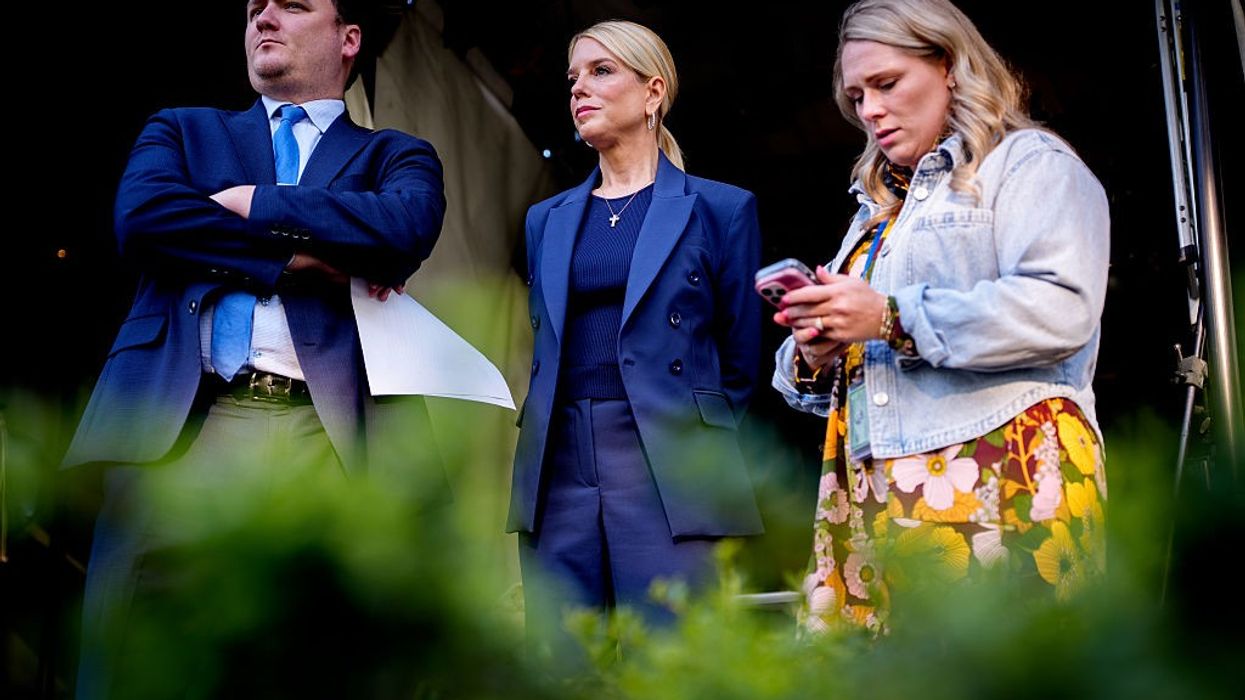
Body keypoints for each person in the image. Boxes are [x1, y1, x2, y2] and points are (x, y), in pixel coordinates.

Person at [63, 0, 446, 694]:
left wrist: (251, 201)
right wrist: (300, 261)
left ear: (348, 38)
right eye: (252, 9)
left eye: (292, 5)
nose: (264, 16)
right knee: (136, 664)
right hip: (184, 425)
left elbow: (402, 227)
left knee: (316, 666)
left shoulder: (395, 154)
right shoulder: (180, 129)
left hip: (327, 438)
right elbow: (144, 218)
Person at [772, 0, 1109, 633]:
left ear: (949, 65)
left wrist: (887, 316)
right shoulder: (875, 213)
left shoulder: (1029, 162)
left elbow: (1062, 309)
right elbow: (836, 361)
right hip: (869, 493)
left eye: (887, 83)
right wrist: (813, 349)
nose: (869, 110)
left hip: (1001, 472)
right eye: (856, 96)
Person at [508, 20, 764, 639]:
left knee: (674, 658)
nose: (579, 89)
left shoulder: (721, 209)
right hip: (558, 460)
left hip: (669, 462)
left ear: (653, 93)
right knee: (564, 661)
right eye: (573, 77)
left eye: (600, 72)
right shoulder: (545, 219)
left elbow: (742, 359)